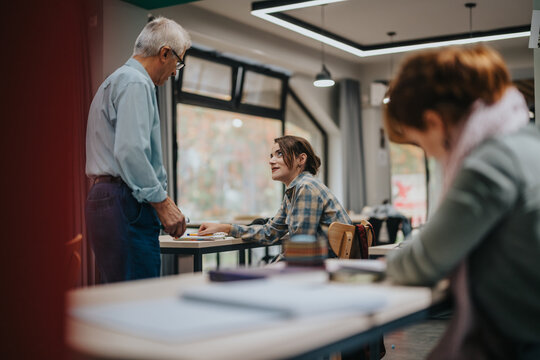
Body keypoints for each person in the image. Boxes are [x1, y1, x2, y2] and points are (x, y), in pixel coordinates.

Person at [383, 45, 540, 359]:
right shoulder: (526, 141)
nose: (426, 152)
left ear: (434, 122)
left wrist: (379, 267)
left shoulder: (491, 163)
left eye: (417, 141)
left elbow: (422, 263)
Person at [85, 17, 191, 283]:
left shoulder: (113, 81)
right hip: (126, 201)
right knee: (138, 297)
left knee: (118, 294)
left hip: (104, 197)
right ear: (164, 53)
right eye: (178, 62)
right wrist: (162, 203)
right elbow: (131, 151)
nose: (176, 72)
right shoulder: (136, 82)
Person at [198, 135, 351, 252]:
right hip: (323, 264)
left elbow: (300, 246)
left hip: (325, 267)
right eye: (271, 156)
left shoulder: (306, 187)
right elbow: (270, 232)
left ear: (301, 159)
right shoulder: (294, 190)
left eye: (279, 154)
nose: (271, 161)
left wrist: (270, 269)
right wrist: (226, 228)